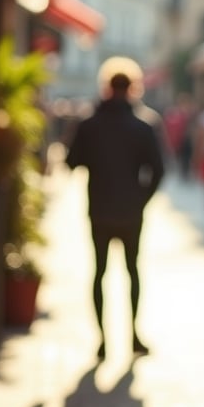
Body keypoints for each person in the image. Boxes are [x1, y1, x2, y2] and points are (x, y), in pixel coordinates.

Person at [66, 71, 166, 359]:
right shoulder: (143, 126)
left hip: (98, 209)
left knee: (99, 272)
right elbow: (158, 170)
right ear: (133, 88)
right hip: (131, 212)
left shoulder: (89, 125)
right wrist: (140, 200)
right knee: (133, 272)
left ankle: (102, 340)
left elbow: (72, 162)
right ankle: (133, 335)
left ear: (107, 87)